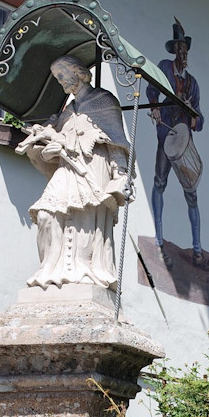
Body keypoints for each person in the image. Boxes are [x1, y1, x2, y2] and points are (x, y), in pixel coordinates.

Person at [16, 55, 131, 290]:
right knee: (46, 214)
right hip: (67, 168)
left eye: (61, 75)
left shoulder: (104, 101)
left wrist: (120, 173)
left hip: (93, 167)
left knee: (86, 222)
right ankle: (50, 271)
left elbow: (115, 141)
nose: (60, 82)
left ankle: (84, 271)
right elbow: (55, 143)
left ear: (77, 72)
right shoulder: (67, 111)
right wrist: (48, 150)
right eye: (57, 78)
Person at [147, 18, 209, 271]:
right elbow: (152, 91)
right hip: (167, 137)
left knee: (191, 194)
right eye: (179, 49)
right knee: (159, 182)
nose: (182, 53)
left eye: (185, 49)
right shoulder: (164, 67)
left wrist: (195, 119)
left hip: (185, 140)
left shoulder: (193, 83)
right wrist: (154, 108)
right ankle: (159, 241)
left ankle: (197, 250)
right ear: (174, 51)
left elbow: (200, 117)